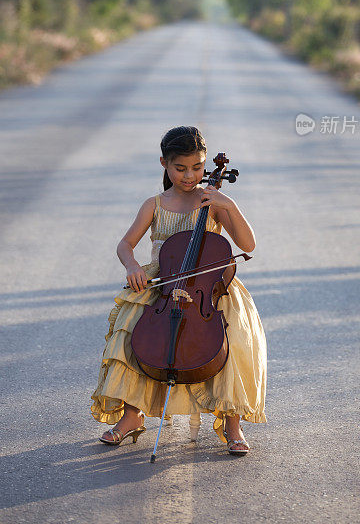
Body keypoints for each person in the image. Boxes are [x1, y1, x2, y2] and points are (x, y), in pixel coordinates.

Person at [90, 125, 267, 455]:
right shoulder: (154, 204)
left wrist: (228, 203)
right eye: (180, 168)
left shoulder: (211, 202)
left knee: (235, 340)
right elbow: (126, 244)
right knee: (133, 336)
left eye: (197, 168)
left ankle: (232, 424)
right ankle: (133, 416)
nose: (190, 176)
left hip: (208, 288)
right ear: (164, 164)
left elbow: (247, 244)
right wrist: (132, 266)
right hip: (164, 283)